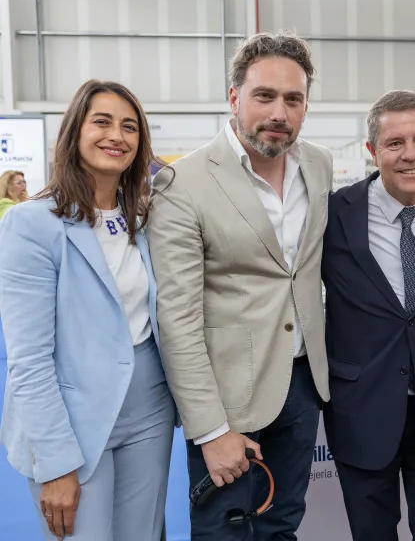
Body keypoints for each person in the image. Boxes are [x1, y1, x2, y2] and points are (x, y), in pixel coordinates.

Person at [148, 31, 332, 540]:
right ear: (234, 97)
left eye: (292, 99)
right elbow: (178, 320)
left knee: (282, 526)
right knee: (223, 531)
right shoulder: (182, 184)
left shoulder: (318, 166)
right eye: (264, 96)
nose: (279, 112)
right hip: (227, 397)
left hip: (301, 384)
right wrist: (210, 429)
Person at [0, 80, 175, 540]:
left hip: (149, 410)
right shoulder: (31, 225)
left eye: (130, 127)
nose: (117, 135)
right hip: (70, 417)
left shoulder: (145, 217)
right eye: (102, 122)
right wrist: (55, 463)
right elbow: (29, 359)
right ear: (74, 130)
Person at [322, 90, 415, 541]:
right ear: (372, 151)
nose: (411, 155)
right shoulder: (334, 215)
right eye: (395, 143)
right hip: (361, 408)